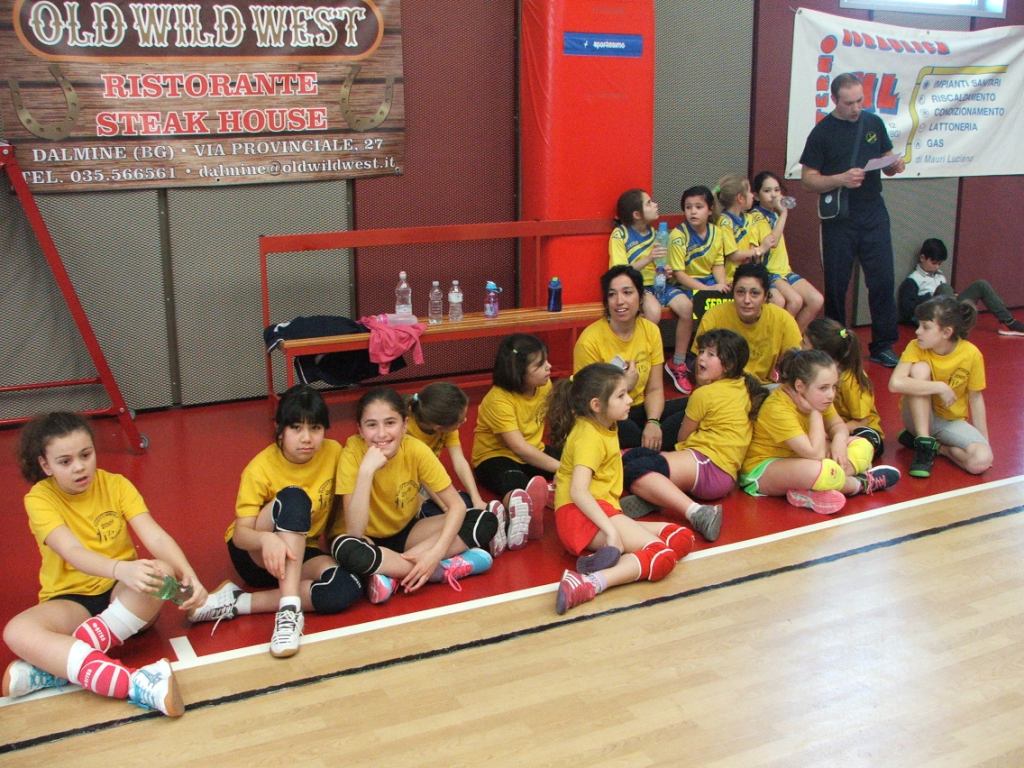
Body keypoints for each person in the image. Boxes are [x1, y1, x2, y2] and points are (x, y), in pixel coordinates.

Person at [2, 412, 206, 716]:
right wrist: (120, 567)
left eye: (86, 455)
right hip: (71, 600)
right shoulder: (39, 499)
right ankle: (136, 683)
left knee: (162, 570)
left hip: (125, 593)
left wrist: (189, 573)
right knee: (16, 632)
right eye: (65, 461)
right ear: (45, 465)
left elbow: (154, 535)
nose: (79, 467)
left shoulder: (117, 485)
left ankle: (57, 666)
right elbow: (71, 551)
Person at [188, 385, 361, 659]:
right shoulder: (260, 468)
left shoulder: (333, 453)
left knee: (344, 586)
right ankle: (290, 611)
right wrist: (267, 539)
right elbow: (241, 535)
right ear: (279, 429)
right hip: (255, 554)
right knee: (294, 497)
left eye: (315, 428)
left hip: (299, 550)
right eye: (296, 428)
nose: (307, 438)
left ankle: (238, 602)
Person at [547, 364, 695, 615]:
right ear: (596, 405)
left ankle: (618, 558)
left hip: (600, 509)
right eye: (621, 395)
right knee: (661, 556)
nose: (629, 400)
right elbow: (578, 491)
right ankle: (588, 583)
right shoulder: (588, 437)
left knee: (681, 537)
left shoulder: (604, 423)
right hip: (580, 514)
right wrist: (611, 531)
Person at [330, 388, 498, 605]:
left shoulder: (415, 449)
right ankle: (440, 571)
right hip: (366, 540)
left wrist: (435, 554)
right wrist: (366, 472)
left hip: (407, 534)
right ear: (360, 430)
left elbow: (456, 505)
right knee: (346, 548)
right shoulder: (352, 454)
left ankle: (394, 573)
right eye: (371, 425)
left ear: (405, 425)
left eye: (390, 423)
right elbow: (355, 530)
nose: (381, 434)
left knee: (483, 519)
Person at [800, 72, 906, 368]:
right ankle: (837, 346)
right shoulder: (822, 133)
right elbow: (808, 180)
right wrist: (840, 179)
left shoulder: (873, 123)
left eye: (860, 100)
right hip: (840, 218)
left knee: (883, 279)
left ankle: (883, 344)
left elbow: (887, 157)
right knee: (836, 285)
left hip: (873, 212)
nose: (856, 107)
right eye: (849, 103)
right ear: (834, 100)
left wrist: (894, 164)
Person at [619, 329, 766, 543]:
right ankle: (659, 496)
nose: (701, 358)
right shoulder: (744, 385)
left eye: (711, 355)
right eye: (702, 351)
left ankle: (697, 512)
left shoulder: (704, 394)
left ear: (729, 365)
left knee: (635, 469)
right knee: (635, 456)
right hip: (721, 472)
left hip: (707, 465)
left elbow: (682, 436)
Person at [739, 349, 901, 514]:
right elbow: (815, 454)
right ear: (800, 386)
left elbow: (838, 426)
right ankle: (859, 484)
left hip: (803, 457)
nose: (831, 395)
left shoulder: (818, 396)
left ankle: (810, 490)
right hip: (765, 468)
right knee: (819, 470)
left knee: (863, 445)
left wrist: (839, 442)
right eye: (824, 388)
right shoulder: (777, 408)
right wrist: (814, 412)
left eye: (834, 387)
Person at [574, 266, 686, 449]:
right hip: (607, 415)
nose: (620, 301)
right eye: (612, 294)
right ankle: (651, 448)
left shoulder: (651, 331)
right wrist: (625, 384)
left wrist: (653, 422)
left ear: (640, 298)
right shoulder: (589, 341)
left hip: (641, 409)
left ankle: (649, 446)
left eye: (627, 292)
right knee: (631, 432)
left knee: (694, 406)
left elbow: (655, 389)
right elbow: (588, 403)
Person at [888, 296, 992, 479]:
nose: (918, 331)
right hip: (917, 417)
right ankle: (923, 444)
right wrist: (939, 387)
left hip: (949, 421)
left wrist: (985, 441)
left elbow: (976, 398)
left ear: (946, 332)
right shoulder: (916, 347)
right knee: (920, 369)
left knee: (981, 461)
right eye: (919, 325)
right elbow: (895, 384)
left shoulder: (971, 354)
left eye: (925, 327)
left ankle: (940, 448)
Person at [471, 333, 556, 542]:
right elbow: (519, 448)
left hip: (533, 451)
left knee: (576, 458)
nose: (549, 366)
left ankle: (548, 493)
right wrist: (562, 468)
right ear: (518, 371)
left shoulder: (544, 385)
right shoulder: (498, 399)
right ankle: (521, 516)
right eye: (540, 364)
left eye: (546, 360)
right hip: (496, 457)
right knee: (514, 481)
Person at [609, 189, 695, 395]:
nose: (655, 205)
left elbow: (662, 266)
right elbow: (619, 272)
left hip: (660, 284)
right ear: (636, 214)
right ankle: (644, 364)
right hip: (637, 287)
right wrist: (648, 258)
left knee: (687, 307)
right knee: (654, 313)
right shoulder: (620, 234)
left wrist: (666, 271)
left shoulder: (658, 235)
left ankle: (678, 363)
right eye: (649, 203)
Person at [667, 185, 734, 388]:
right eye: (688, 207)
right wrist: (708, 290)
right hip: (680, 285)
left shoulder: (717, 233)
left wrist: (721, 284)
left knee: (729, 304)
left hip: (709, 282)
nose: (693, 212)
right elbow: (679, 274)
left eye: (698, 207)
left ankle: (721, 362)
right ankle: (678, 362)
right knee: (688, 308)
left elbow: (718, 264)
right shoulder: (678, 236)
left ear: (710, 210)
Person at [691, 263, 802, 385]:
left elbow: (798, 366)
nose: (746, 300)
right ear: (732, 292)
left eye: (754, 293)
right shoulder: (714, 316)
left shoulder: (783, 319)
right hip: (722, 387)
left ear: (765, 296)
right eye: (740, 292)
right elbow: (700, 369)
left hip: (762, 389)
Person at [897, 237, 1024, 336]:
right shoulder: (913, 280)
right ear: (922, 258)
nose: (937, 267)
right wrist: (930, 298)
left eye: (939, 264)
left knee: (981, 285)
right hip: (931, 315)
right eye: (934, 263)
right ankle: (953, 323)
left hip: (949, 309)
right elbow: (907, 310)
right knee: (945, 288)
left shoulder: (939, 275)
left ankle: (1009, 322)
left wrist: (954, 295)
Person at [751, 170, 824, 331]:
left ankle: (795, 338)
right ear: (756, 196)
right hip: (769, 271)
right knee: (795, 301)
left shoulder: (775, 214)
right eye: (767, 191)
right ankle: (781, 339)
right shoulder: (756, 216)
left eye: (777, 190)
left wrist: (780, 214)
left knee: (816, 299)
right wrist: (784, 213)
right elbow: (773, 242)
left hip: (785, 270)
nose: (774, 195)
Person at [804, 317, 884, 460]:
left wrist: (835, 434)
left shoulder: (850, 380)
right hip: (831, 427)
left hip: (858, 430)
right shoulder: (812, 372)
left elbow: (862, 421)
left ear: (820, 352)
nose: (800, 346)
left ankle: (850, 464)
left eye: (804, 343)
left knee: (862, 444)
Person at [715, 174, 765, 284]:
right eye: (749, 192)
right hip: (731, 278)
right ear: (741, 198)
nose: (752, 195)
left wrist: (755, 253)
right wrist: (760, 250)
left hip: (749, 273)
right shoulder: (725, 222)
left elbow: (753, 246)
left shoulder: (749, 218)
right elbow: (733, 255)